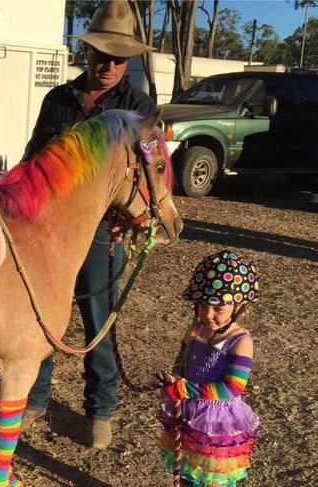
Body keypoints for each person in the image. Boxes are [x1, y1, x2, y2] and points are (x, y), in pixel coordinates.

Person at [20, 0, 156, 450]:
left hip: (101, 231)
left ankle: (99, 410)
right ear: (88, 53)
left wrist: (126, 220)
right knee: (43, 317)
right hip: (46, 231)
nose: (110, 65)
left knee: (98, 320)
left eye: (119, 58)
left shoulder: (136, 106)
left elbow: (148, 173)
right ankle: (34, 398)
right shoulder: (57, 100)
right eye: (102, 55)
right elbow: (32, 161)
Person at [156, 250, 260, 487]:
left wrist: (185, 388)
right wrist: (174, 379)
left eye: (218, 309)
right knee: (185, 471)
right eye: (202, 306)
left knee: (213, 478)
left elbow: (231, 388)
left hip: (218, 423)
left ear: (240, 308)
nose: (208, 314)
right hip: (189, 411)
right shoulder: (196, 330)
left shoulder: (240, 341)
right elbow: (181, 363)